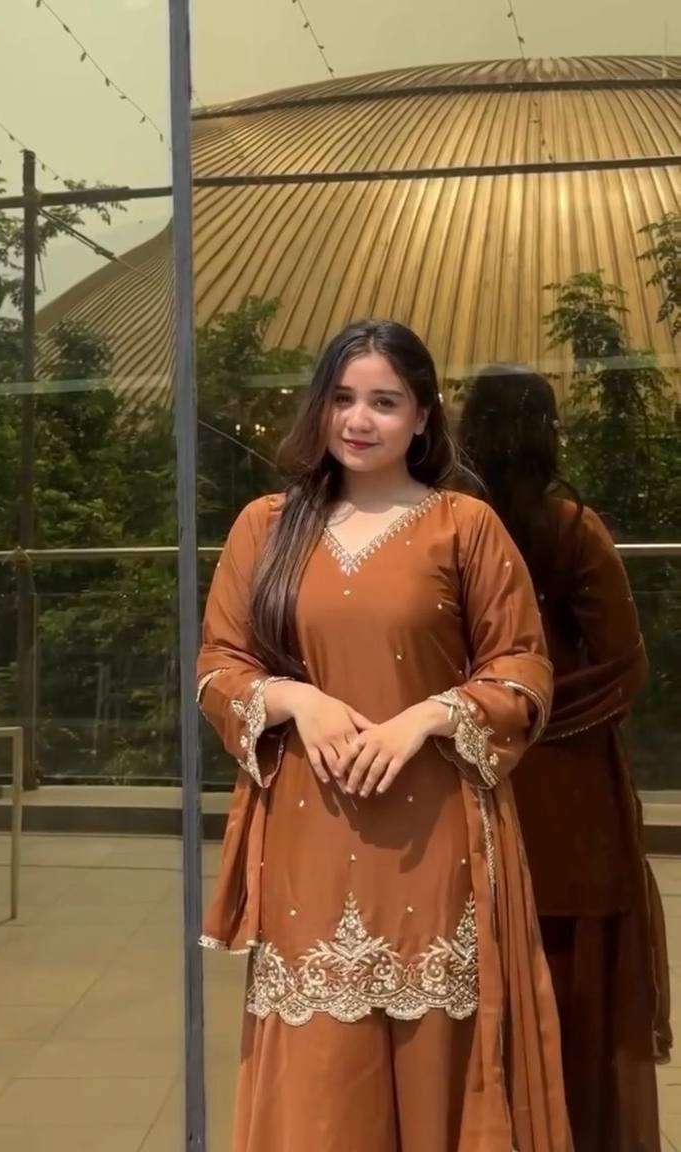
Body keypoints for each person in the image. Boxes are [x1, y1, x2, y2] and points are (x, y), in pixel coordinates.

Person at [197, 320, 572, 1152]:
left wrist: (427, 717)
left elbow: (522, 668)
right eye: (342, 398)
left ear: (423, 416)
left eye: (384, 402)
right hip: (309, 837)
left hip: (431, 840)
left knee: (436, 1067)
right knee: (318, 1089)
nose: (358, 420)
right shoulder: (267, 526)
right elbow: (219, 665)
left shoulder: (464, 526)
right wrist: (296, 698)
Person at [459, 364, 673, 1152]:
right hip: (568, 786)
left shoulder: (454, 523)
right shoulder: (568, 528)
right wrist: (538, 718)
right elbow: (624, 663)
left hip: (482, 770)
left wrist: (490, 718)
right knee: (570, 976)